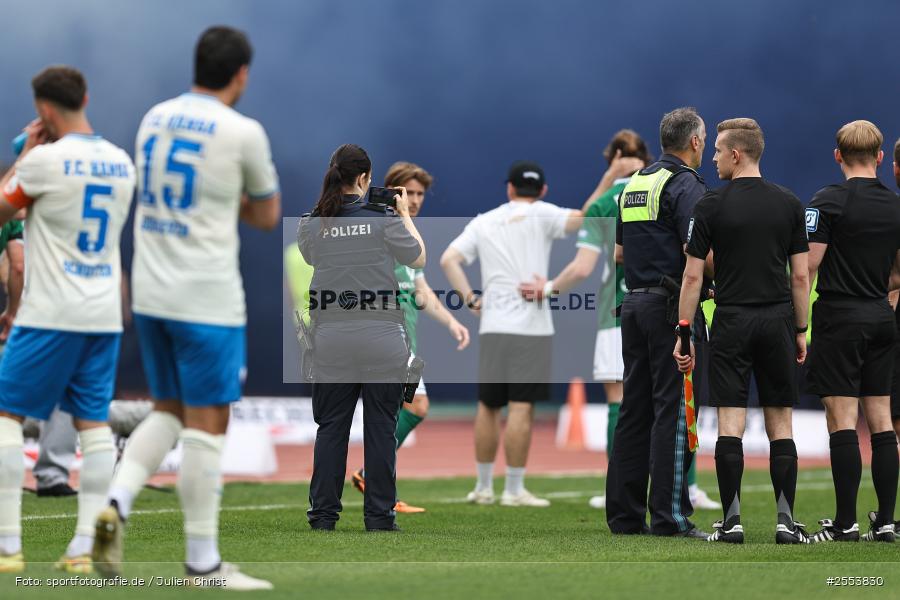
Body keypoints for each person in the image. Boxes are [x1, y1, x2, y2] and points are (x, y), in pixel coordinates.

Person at [92, 26, 281, 589]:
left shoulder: (154, 118)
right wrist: (228, 199)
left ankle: (116, 503)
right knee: (208, 423)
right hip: (206, 298)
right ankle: (202, 562)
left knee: (169, 409)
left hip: (153, 292)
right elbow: (267, 215)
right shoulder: (243, 131)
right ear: (241, 74)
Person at [0, 65, 135, 573]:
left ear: (43, 110)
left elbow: (3, 210)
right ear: (85, 98)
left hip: (49, 311)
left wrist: (25, 155)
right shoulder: (121, 163)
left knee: (6, 416)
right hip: (101, 314)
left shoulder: (42, 163)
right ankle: (81, 549)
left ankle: (7, 545)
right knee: (92, 424)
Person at [674, 118, 811, 544]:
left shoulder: (710, 205)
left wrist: (683, 332)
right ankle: (786, 522)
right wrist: (801, 329)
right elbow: (800, 277)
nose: (712, 157)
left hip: (731, 321)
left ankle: (732, 523)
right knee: (780, 424)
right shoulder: (789, 203)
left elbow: (692, 278)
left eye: (718, 150)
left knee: (729, 424)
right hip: (777, 321)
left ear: (736, 154)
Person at [442, 160, 583, 507]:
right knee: (521, 407)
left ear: (509, 188)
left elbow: (448, 259)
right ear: (543, 190)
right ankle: (514, 490)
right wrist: (610, 177)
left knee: (488, 406)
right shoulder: (544, 213)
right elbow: (582, 218)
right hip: (531, 328)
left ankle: (483, 486)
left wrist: (471, 301)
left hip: (494, 326)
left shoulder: (485, 220)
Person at [299, 144, 425, 532]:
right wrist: (403, 214)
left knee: (331, 428)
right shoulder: (383, 218)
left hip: (332, 336)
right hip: (381, 335)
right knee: (381, 429)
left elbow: (310, 256)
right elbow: (417, 257)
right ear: (365, 178)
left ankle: (323, 517)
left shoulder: (313, 221)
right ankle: (379, 518)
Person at [605, 107, 709, 538]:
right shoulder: (686, 184)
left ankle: (625, 517)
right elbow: (695, 253)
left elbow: (619, 252)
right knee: (674, 410)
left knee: (634, 410)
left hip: (633, 304)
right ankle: (671, 517)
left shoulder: (635, 183)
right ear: (695, 142)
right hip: (670, 307)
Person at [350, 162, 470, 514]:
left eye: (420, 194)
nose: (415, 200)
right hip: (386, 338)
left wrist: (451, 321)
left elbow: (420, 290)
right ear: (391, 191)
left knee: (404, 410)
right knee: (411, 407)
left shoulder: (407, 231)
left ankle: (373, 484)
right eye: (408, 192)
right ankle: (374, 486)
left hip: (405, 341)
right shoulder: (379, 228)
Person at [806, 120, 900, 544]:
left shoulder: (827, 201)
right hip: (881, 317)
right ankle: (886, 523)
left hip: (839, 317)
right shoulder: (896, 206)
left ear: (837, 156)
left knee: (842, 420)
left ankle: (846, 524)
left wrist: (797, 325)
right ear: (880, 157)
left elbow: (808, 268)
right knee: (881, 420)